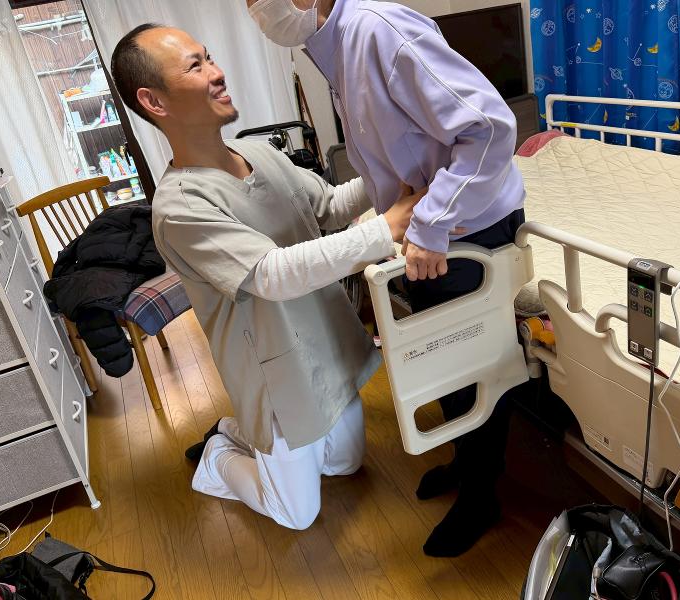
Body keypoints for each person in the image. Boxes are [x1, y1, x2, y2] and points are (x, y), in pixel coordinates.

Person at [110, 24, 425, 530]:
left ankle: (242, 434)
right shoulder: (180, 207)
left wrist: (388, 175)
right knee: (297, 513)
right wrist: (386, 228)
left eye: (211, 57)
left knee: (344, 465)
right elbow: (271, 275)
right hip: (275, 375)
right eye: (195, 66)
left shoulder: (258, 153)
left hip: (323, 342)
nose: (217, 73)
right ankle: (218, 455)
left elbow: (327, 205)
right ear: (154, 101)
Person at [247, 0, 527, 556]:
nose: (257, 10)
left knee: (471, 366)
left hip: (466, 227)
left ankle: (482, 495)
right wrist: (392, 222)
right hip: (429, 232)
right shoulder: (333, 49)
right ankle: (466, 462)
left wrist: (430, 224)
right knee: (444, 365)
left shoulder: (378, 31)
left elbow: (491, 129)